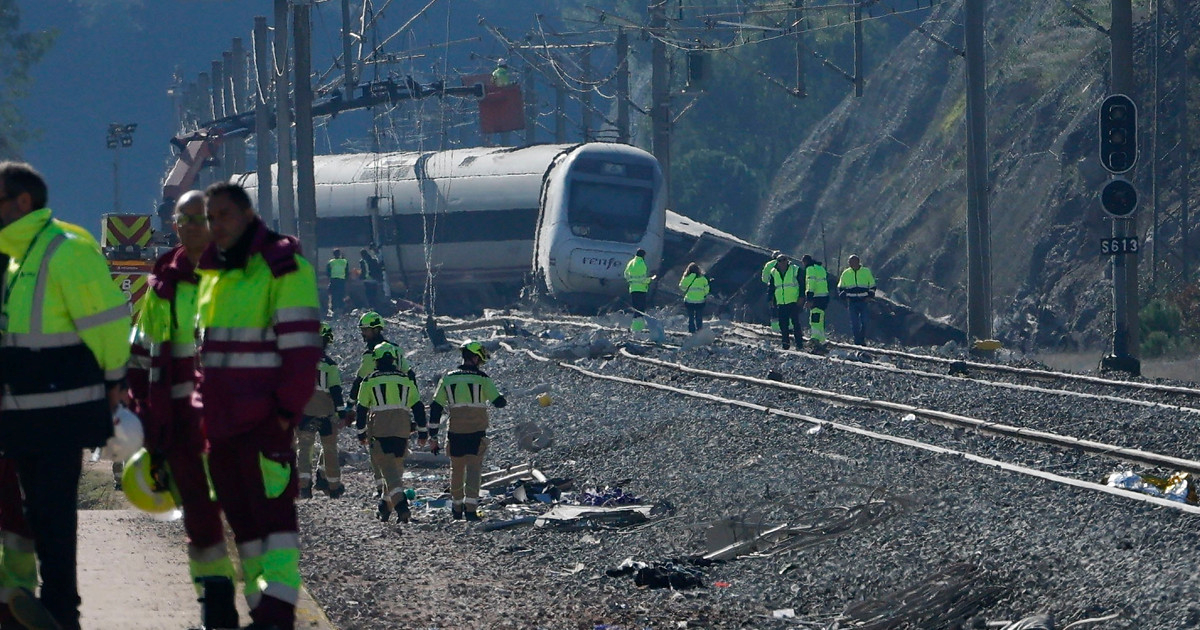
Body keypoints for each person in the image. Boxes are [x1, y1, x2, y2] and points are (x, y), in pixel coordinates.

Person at [0, 162, 132, 629]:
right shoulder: (17, 257)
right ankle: (47, 608)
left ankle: (62, 612)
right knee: (37, 515)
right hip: (25, 413)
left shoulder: (67, 249)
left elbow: (108, 324)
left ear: (23, 202)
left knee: (54, 516)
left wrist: (115, 382)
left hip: (62, 412)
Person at [195, 181, 321, 630]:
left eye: (225, 215)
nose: (216, 225)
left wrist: (284, 415)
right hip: (222, 423)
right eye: (211, 218)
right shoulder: (216, 273)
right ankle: (260, 608)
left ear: (248, 216)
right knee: (244, 525)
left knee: (275, 521)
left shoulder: (284, 268)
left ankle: (279, 611)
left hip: (263, 421)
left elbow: (302, 352)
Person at [127, 190, 238, 628]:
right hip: (180, 427)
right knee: (201, 520)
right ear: (175, 226)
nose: (193, 227)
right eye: (185, 219)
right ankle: (216, 606)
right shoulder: (162, 287)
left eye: (202, 219)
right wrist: (142, 419)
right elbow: (140, 357)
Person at [427, 341, 507, 522]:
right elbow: (499, 402)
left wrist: (433, 436)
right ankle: (470, 510)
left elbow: (436, 407)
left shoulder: (448, 378)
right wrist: (502, 397)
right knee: (473, 470)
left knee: (456, 470)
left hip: (455, 432)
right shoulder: (483, 379)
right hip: (476, 432)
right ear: (475, 357)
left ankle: (456, 508)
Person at [349, 311, 417, 499]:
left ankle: (383, 490)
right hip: (399, 407)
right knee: (397, 450)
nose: (363, 333)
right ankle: (392, 489)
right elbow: (410, 376)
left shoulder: (371, 355)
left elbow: (359, 381)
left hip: (377, 409)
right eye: (362, 329)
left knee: (377, 450)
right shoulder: (396, 350)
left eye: (366, 330)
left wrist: (349, 405)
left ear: (376, 329)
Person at [356, 342, 426, 523]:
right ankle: (384, 507)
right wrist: (423, 432)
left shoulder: (369, 380)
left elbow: (361, 409)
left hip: (380, 430)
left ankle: (402, 507)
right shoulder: (406, 380)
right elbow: (418, 407)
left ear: (376, 360)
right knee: (395, 469)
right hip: (402, 430)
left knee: (388, 471)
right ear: (394, 359)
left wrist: (361, 433)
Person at [298, 323, 350, 500]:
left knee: (305, 448)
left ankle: (304, 487)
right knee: (330, 450)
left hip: (306, 413)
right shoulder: (330, 365)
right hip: (326, 415)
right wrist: (341, 413)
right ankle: (334, 487)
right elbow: (336, 391)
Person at [838, 254, 877, 346]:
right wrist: (844, 296)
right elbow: (840, 287)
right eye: (849, 262)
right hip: (852, 302)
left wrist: (870, 296)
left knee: (865, 321)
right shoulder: (846, 273)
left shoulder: (866, 272)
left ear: (858, 262)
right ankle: (857, 341)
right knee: (854, 323)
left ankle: (862, 338)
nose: (850, 264)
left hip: (864, 301)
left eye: (852, 262)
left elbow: (872, 285)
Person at [769, 255, 802, 350]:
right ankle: (785, 344)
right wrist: (770, 298)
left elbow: (802, 284)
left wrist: (801, 297)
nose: (782, 262)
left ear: (787, 260)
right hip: (781, 302)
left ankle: (799, 344)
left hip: (793, 301)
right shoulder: (773, 272)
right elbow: (771, 287)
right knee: (783, 324)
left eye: (784, 260)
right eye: (780, 260)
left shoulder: (795, 269)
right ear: (777, 262)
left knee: (796, 323)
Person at [801, 254, 830, 349]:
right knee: (820, 318)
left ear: (805, 262)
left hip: (816, 297)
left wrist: (809, 299)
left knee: (815, 318)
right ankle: (822, 339)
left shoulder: (810, 269)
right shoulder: (820, 268)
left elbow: (811, 283)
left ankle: (815, 339)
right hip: (824, 296)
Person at [623, 249, 653, 332]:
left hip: (633, 289)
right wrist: (650, 279)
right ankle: (638, 328)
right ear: (643, 255)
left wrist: (631, 281)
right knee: (641, 309)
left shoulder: (631, 262)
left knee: (636, 308)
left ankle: (634, 326)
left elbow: (625, 274)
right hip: (641, 289)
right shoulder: (641, 264)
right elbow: (642, 279)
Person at [678, 262, 710, 334]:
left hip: (689, 301)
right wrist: (703, 294)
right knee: (699, 316)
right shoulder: (703, 278)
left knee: (691, 317)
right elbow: (707, 290)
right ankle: (699, 330)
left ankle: (691, 331)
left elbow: (681, 287)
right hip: (700, 301)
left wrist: (686, 290)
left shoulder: (686, 278)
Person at [761, 251, 781, 332]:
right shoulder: (787, 264)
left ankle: (776, 329)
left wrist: (769, 282)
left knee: (774, 308)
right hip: (786, 290)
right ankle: (789, 327)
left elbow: (764, 279)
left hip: (773, 290)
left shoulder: (769, 265)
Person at [326, 248, 348, 315]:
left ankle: (334, 308)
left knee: (333, 295)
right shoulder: (344, 261)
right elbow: (347, 271)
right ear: (339, 254)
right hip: (342, 280)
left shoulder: (331, 262)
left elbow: (328, 272)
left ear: (333, 254)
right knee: (341, 295)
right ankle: (341, 308)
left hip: (334, 280)